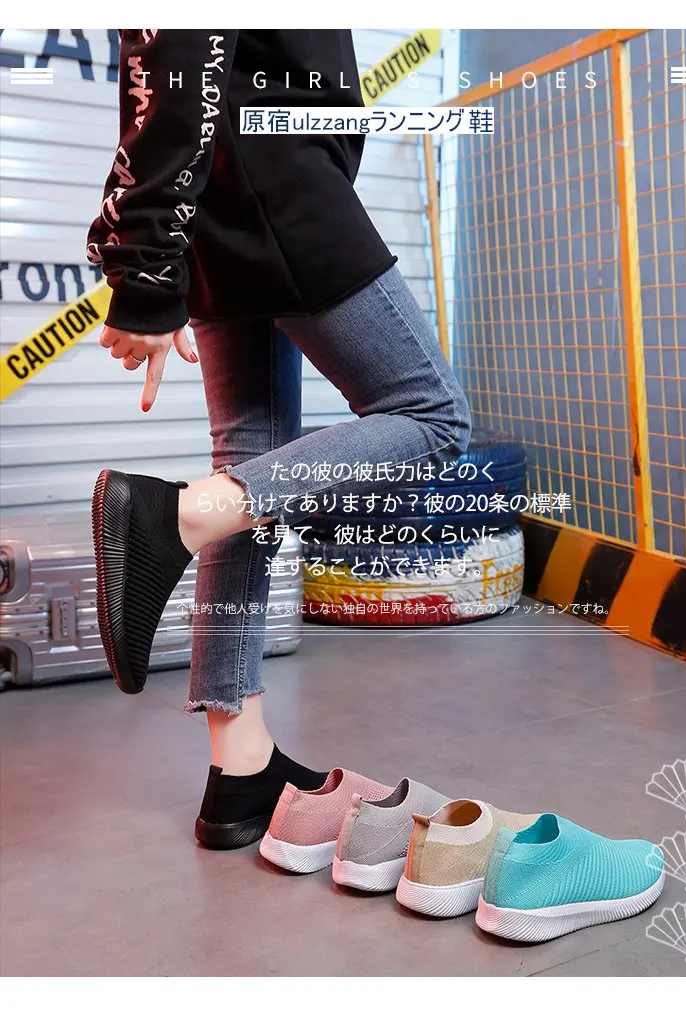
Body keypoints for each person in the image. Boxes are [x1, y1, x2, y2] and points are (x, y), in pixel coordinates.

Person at [87, 28, 472, 850]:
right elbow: (171, 44)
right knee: (433, 417)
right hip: (277, 178)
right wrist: (144, 263)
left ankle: (240, 768)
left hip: (237, 188)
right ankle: (171, 517)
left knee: (248, 469)